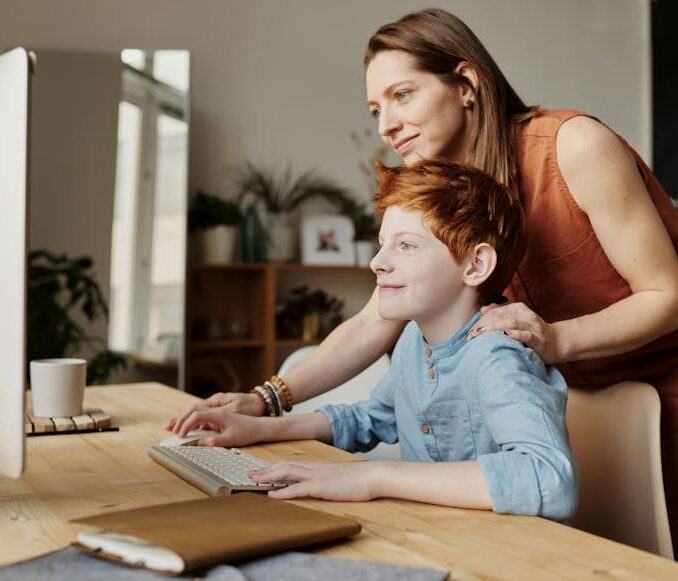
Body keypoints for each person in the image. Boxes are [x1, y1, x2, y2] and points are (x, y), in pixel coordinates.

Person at [169, 8, 678, 544]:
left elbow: (667, 293)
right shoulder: (435, 185)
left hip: (662, 385)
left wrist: (555, 339)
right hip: (573, 396)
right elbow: (374, 322)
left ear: (466, 84)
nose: (384, 123)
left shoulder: (573, 145)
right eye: (374, 108)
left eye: (401, 95)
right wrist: (266, 400)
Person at [172, 159, 578, 521]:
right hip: (431, 534)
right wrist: (258, 428)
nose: (378, 261)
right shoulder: (412, 343)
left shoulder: (497, 355)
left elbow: (549, 478)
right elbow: (372, 418)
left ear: (475, 264)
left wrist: (373, 476)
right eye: (383, 243)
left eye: (405, 245)